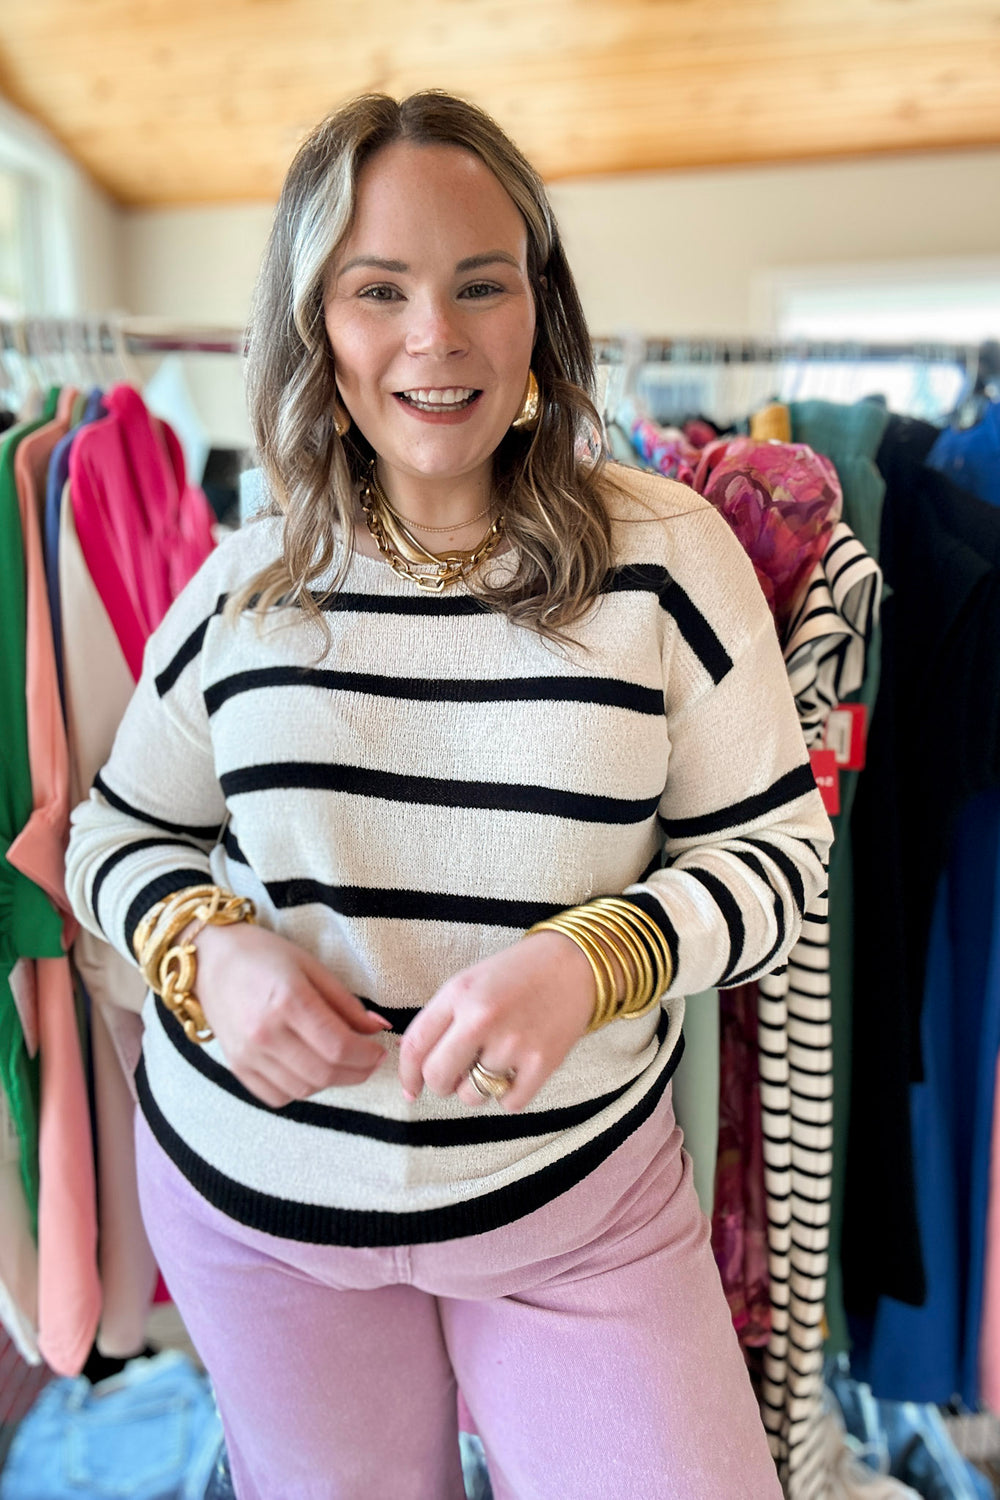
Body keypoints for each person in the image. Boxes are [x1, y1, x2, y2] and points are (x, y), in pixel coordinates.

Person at [66, 90, 831, 1500]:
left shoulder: (665, 554)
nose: (438, 335)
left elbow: (782, 860)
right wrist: (204, 950)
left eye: (484, 282)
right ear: (317, 328)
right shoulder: (242, 580)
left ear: (539, 307)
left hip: (579, 1217)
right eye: (379, 291)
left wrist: (593, 961)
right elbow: (109, 835)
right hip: (262, 1225)